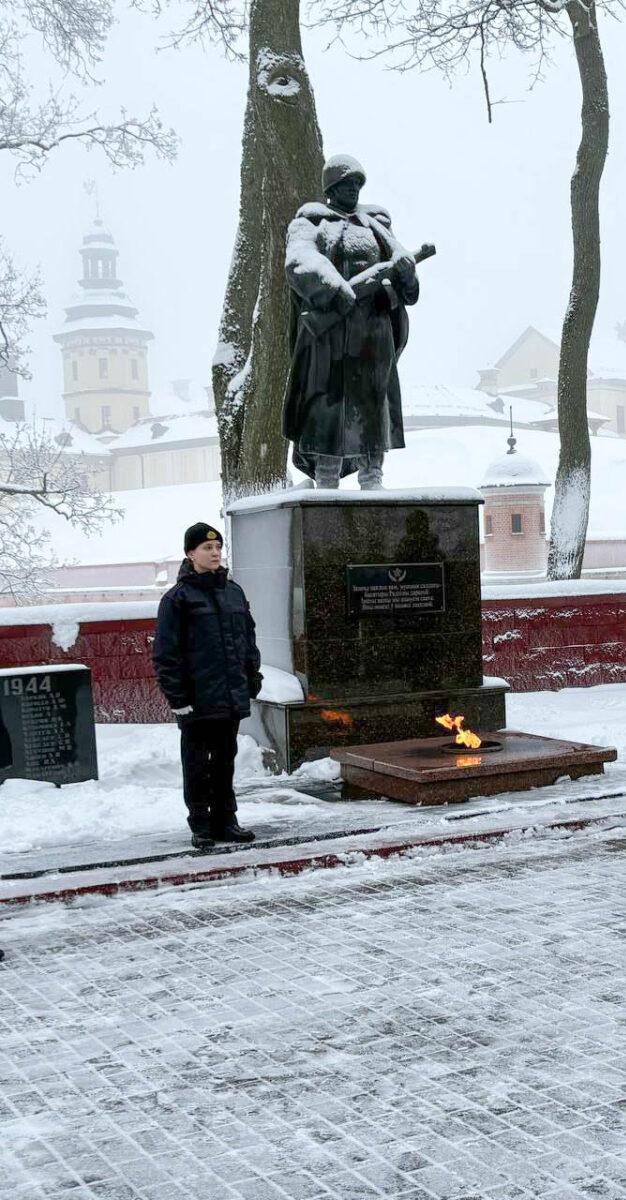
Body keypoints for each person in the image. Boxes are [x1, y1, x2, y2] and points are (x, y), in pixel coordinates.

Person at [282, 153, 419, 489]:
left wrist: (405, 274)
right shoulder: (310, 223)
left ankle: (373, 476)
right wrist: (341, 291)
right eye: (346, 184)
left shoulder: (377, 226)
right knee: (327, 407)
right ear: (331, 187)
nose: (353, 190)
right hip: (332, 336)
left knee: (374, 405)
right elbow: (300, 262)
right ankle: (326, 477)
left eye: (358, 184)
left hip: (374, 334)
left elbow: (404, 274)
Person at [153, 523, 263, 849]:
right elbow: (165, 654)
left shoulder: (234, 592)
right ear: (190, 554)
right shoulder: (177, 599)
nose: (215, 553)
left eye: (217, 548)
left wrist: (252, 677)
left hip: (229, 696)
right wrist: (177, 697)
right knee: (198, 763)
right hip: (196, 701)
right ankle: (200, 824)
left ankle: (226, 821)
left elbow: (247, 640)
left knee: (225, 761)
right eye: (206, 548)